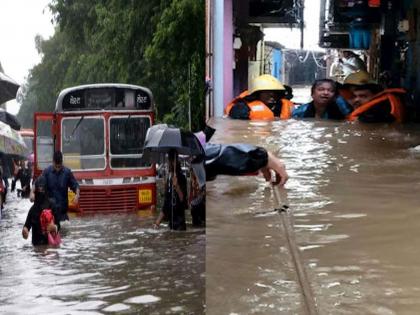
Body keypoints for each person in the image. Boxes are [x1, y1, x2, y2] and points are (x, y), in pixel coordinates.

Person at [31, 151, 80, 222]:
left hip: (62, 213)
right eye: (56, 166)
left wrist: (77, 195)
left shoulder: (67, 172)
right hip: (50, 214)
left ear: (62, 162)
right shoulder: (47, 172)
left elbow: (76, 185)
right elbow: (37, 182)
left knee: (65, 231)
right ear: (53, 162)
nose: (57, 169)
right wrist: (32, 192)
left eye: (59, 166)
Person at [225, 74, 294, 120]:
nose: (272, 96)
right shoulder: (242, 109)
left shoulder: (280, 106)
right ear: (257, 93)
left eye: (275, 93)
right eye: (267, 93)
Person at [154, 150, 188, 231]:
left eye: (169, 161)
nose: (167, 164)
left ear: (174, 162)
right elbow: (166, 205)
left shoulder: (181, 178)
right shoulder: (169, 179)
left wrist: (177, 187)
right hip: (171, 225)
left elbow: (183, 199)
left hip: (180, 225)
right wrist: (157, 223)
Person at [22, 176, 60, 246]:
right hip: (36, 247)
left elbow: (58, 225)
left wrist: (54, 227)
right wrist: (25, 232)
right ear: (36, 191)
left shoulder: (52, 206)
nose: (40, 192)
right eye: (39, 190)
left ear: (46, 190)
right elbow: (26, 226)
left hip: (50, 246)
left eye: (42, 190)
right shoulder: (33, 209)